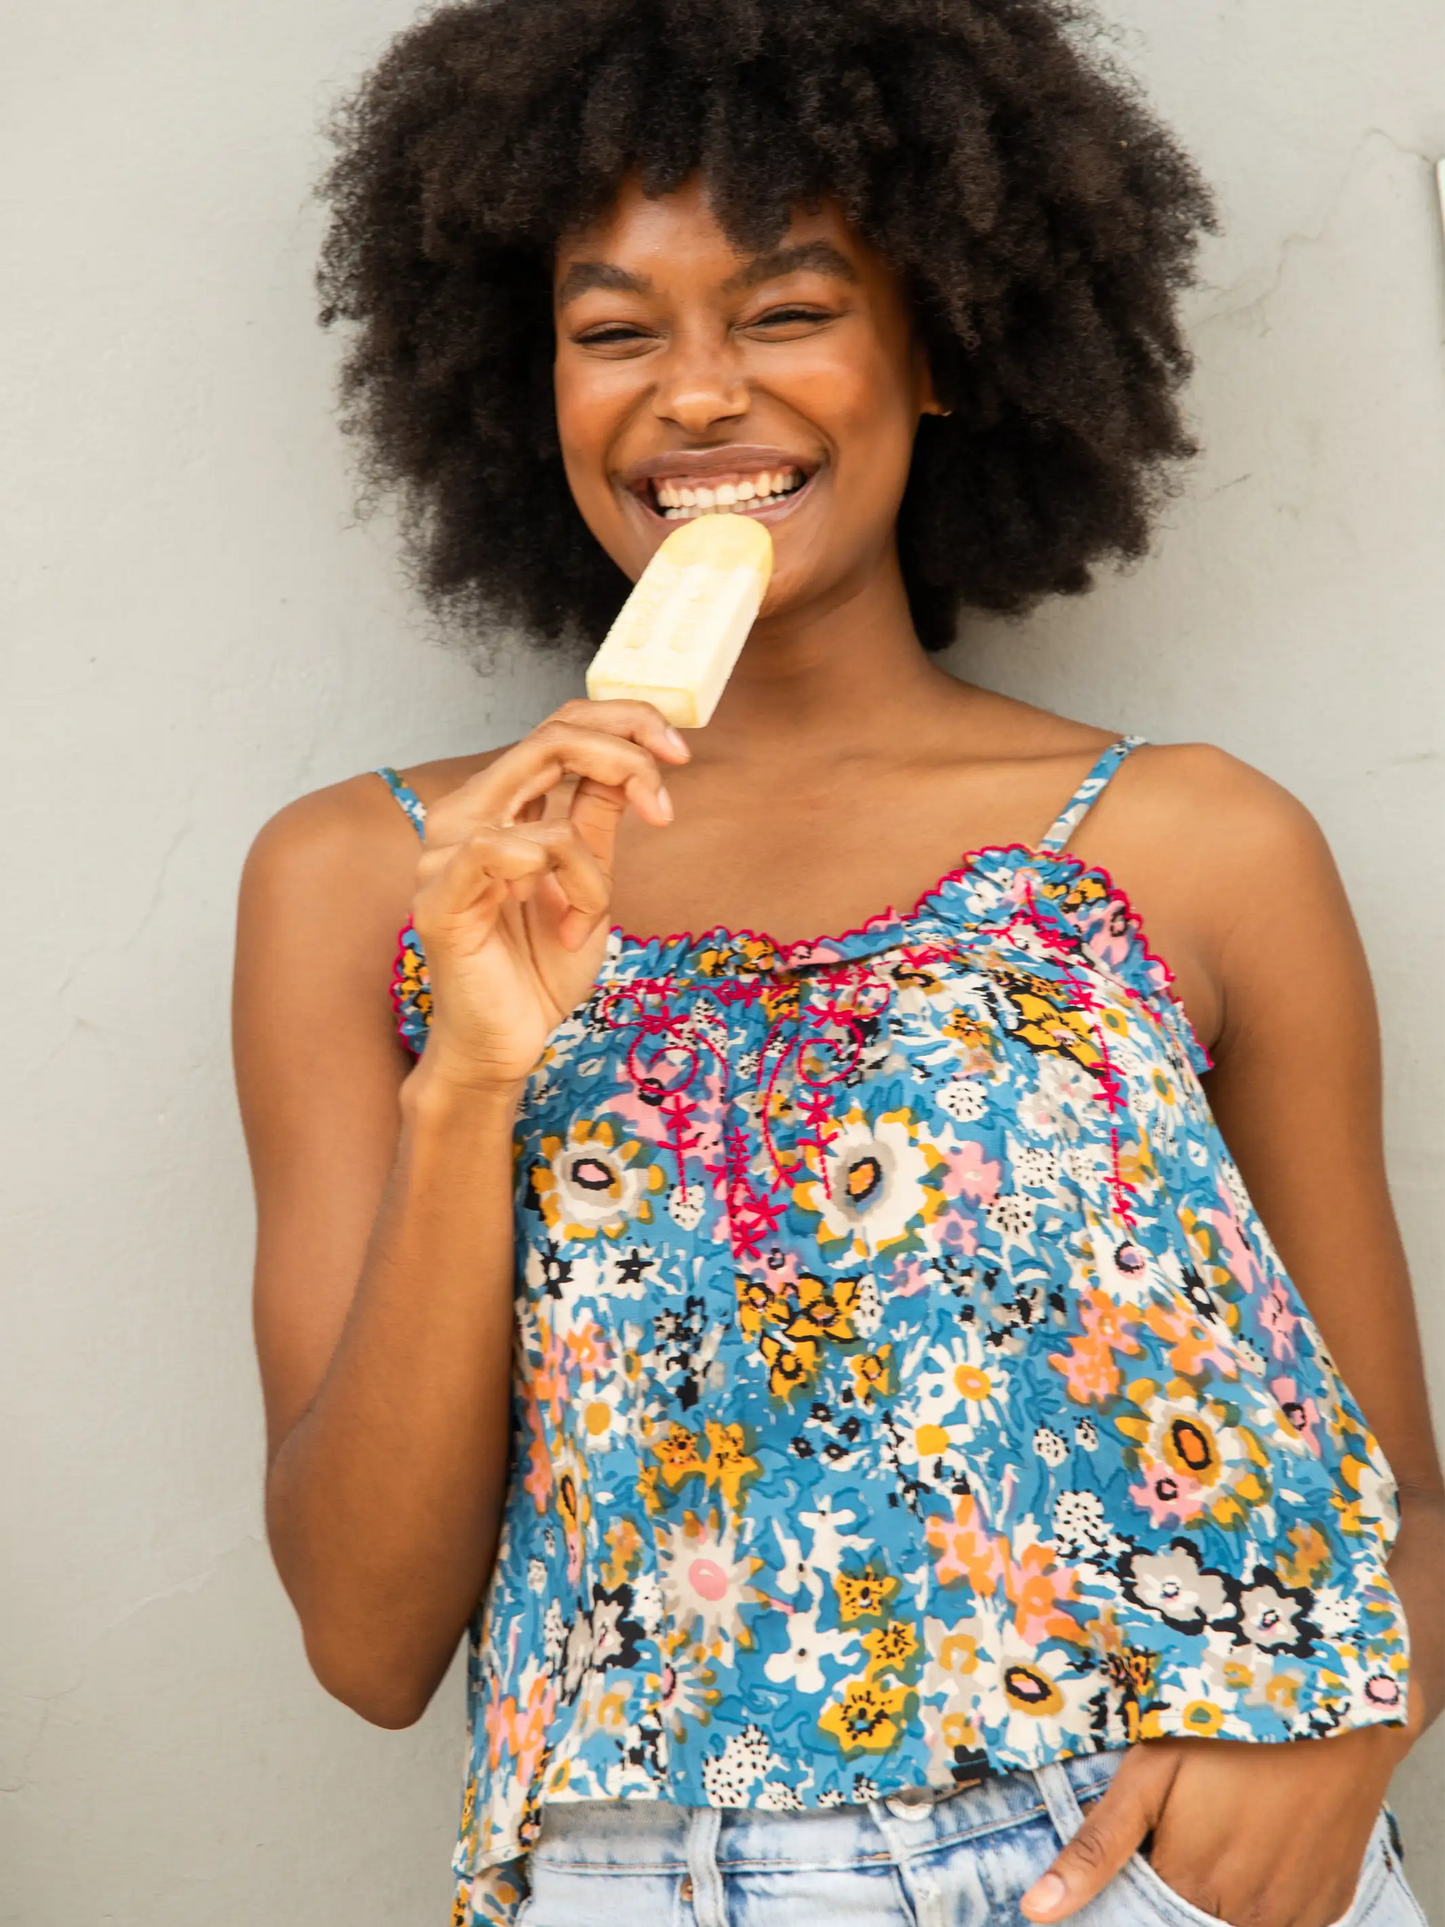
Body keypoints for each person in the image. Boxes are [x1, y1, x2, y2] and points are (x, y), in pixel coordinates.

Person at [233, 4, 1443, 1924]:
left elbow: (1402, 1488)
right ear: (527, 385)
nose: (696, 395)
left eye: (789, 311)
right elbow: (373, 1644)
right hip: (642, 1874)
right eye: (615, 329)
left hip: (1149, 1860)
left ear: (940, 347)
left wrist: (1337, 1746)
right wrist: (473, 1072)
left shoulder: (1195, 843)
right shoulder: (371, 878)